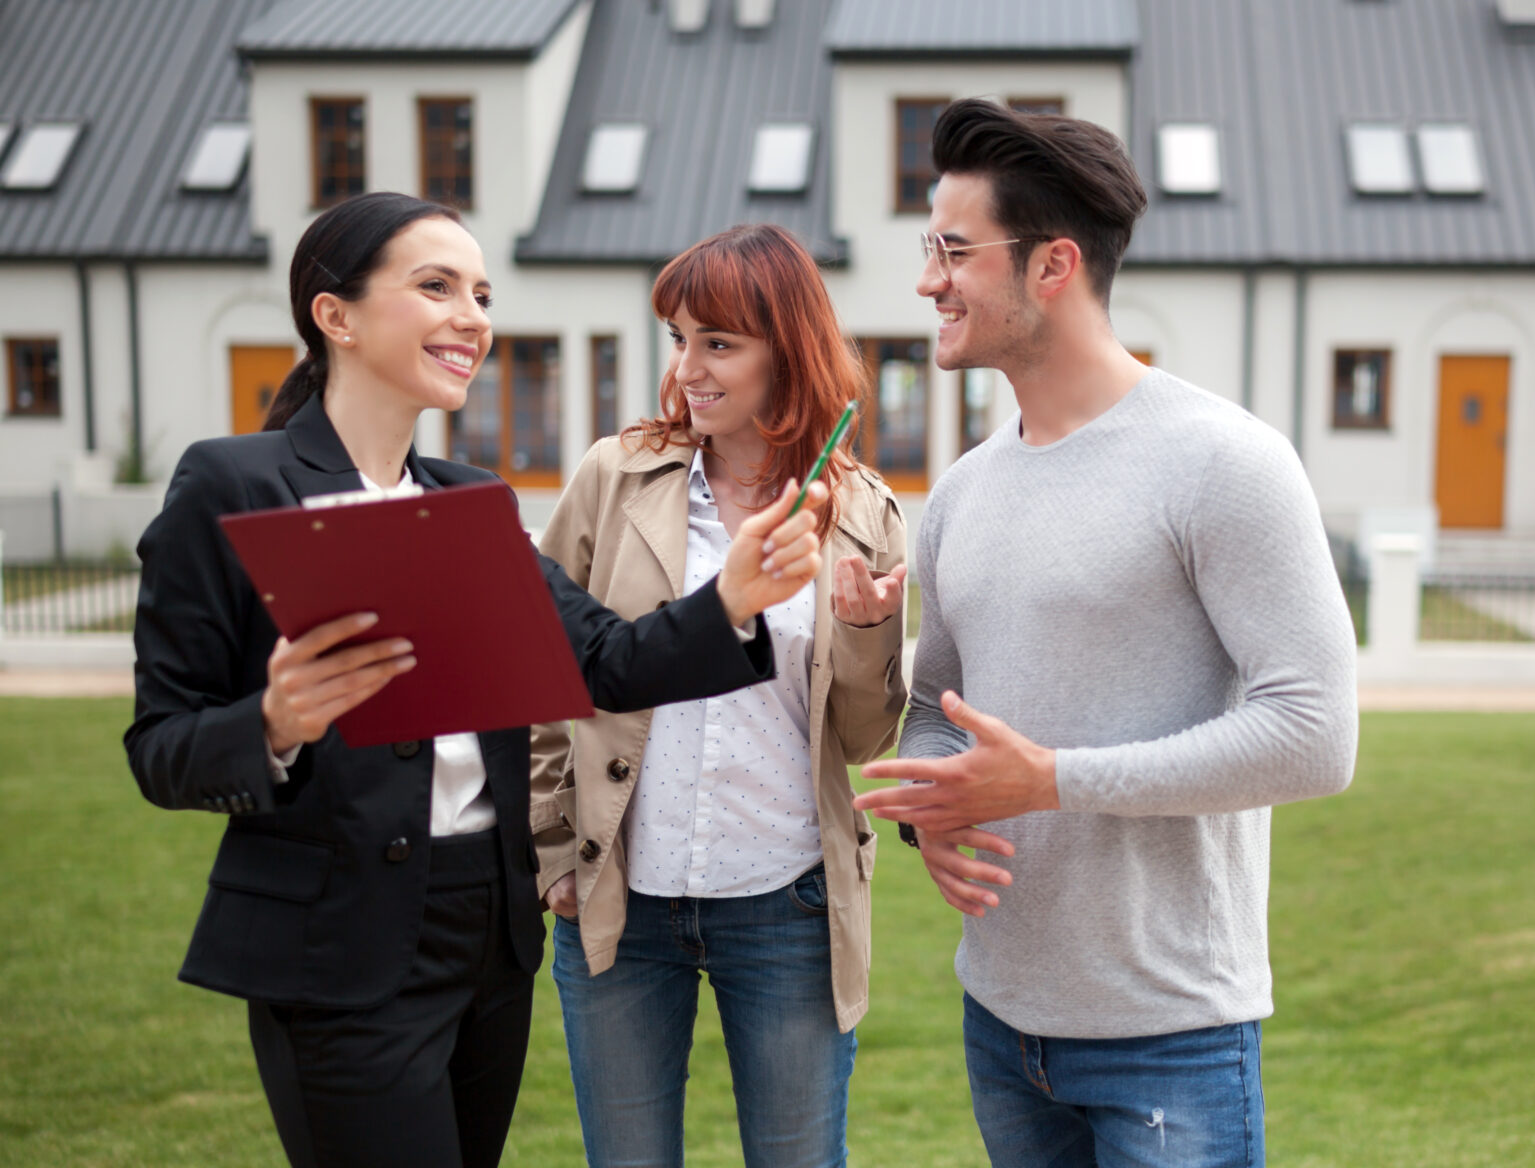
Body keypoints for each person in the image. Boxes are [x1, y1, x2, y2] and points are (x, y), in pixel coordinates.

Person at [123, 192, 827, 1168]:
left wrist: (731, 602)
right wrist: (276, 721)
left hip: (487, 944)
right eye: (437, 285)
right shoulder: (232, 484)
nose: (473, 316)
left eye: (482, 292)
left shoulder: (471, 502)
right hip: (340, 948)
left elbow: (605, 663)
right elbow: (160, 747)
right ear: (338, 316)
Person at [852, 99, 1360, 1168]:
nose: (927, 279)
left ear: (1052, 266)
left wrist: (1051, 779)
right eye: (926, 249)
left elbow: (1315, 736)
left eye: (953, 249)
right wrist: (933, 816)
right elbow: (937, 708)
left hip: (1170, 1033)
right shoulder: (959, 493)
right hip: (1000, 1016)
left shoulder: (1225, 462)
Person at [530, 223, 908, 1168]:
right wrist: (550, 851)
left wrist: (865, 631)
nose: (690, 368)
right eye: (680, 340)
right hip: (620, 895)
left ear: (790, 347)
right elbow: (540, 668)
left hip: (785, 902)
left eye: (719, 342)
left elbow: (862, 740)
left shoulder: (862, 513)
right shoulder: (613, 478)